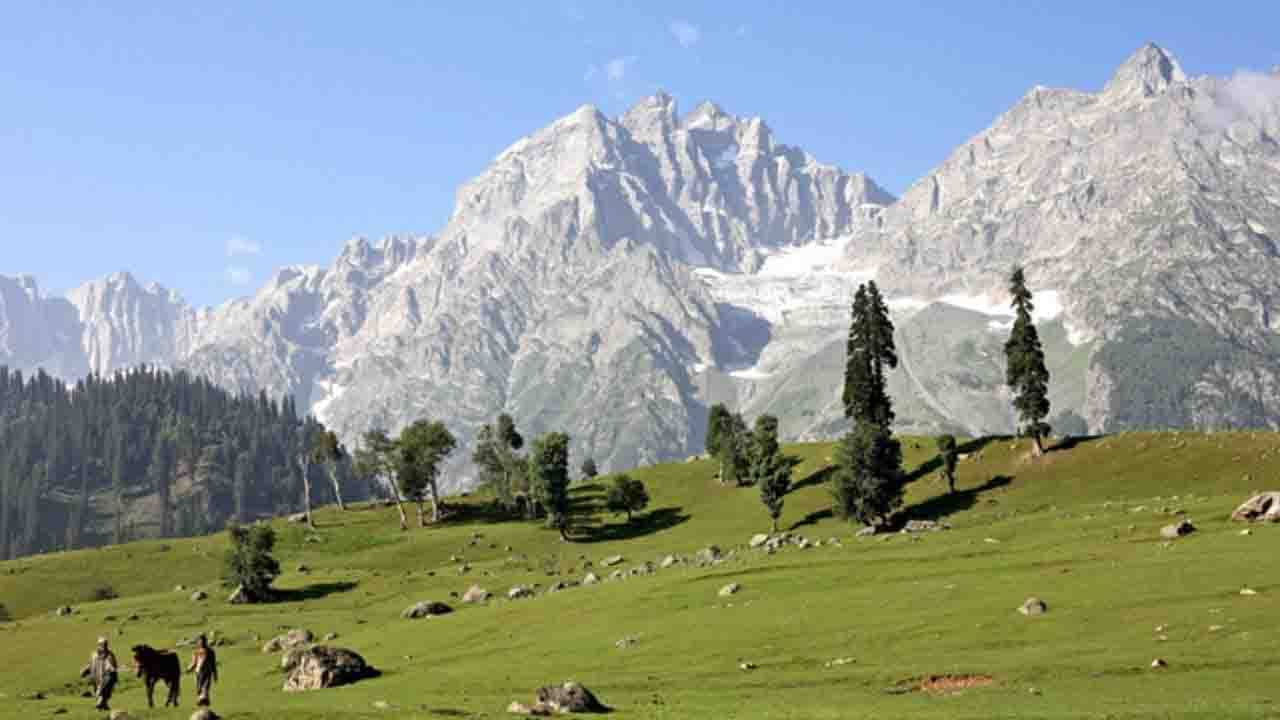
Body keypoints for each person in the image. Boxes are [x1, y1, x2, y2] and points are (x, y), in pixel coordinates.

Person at [79, 637, 119, 711]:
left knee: (103, 692)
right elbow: (90, 664)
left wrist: (112, 669)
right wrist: (85, 670)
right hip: (96, 677)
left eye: (105, 644)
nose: (104, 646)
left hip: (107, 677)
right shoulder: (94, 654)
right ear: (99, 645)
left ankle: (100, 704)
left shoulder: (110, 655)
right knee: (98, 691)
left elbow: (111, 665)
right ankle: (103, 705)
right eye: (102, 644)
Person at [186, 633, 218, 707]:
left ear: (206, 641)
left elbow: (213, 664)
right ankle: (202, 701)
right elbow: (194, 662)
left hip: (207, 672)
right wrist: (189, 668)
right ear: (198, 641)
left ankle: (204, 700)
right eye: (200, 640)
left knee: (205, 688)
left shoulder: (210, 652)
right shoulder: (196, 652)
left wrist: (215, 674)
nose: (202, 642)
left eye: (203, 640)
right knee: (199, 689)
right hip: (198, 673)